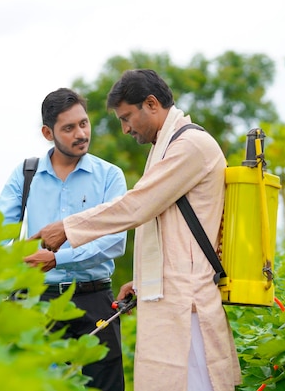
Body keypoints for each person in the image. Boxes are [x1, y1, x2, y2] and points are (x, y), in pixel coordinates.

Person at [31, 70, 242, 391]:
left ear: (152, 104)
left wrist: (68, 228)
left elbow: (137, 206)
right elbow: (173, 232)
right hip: (174, 295)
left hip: (189, 303)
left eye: (127, 117)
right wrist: (144, 280)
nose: (125, 128)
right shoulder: (169, 145)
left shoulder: (190, 146)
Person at [0, 87, 128, 391]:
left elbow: (114, 241)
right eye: (69, 128)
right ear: (47, 132)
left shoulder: (110, 176)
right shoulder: (25, 174)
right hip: (36, 302)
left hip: (94, 300)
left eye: (84, 123)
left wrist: (57, 258)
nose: (81, 133)